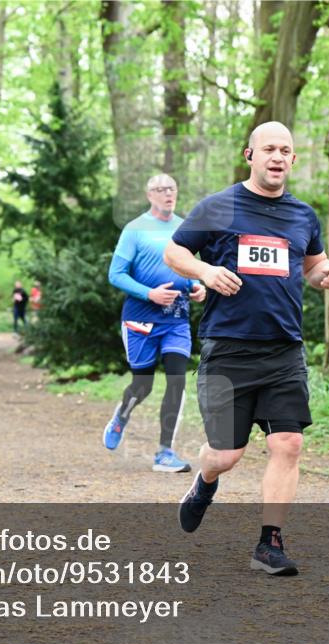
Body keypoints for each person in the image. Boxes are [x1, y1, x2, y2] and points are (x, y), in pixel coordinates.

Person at [163, 121, 329, 575]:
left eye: (285, 150)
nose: (277, 157)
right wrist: (204, 273)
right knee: (227, 454)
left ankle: (270, 544)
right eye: (269, 149)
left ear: (294, 160)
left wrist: (328, 273)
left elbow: (311, 266)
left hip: (284, 350)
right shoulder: (219, 206)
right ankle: (204, 483)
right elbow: (174, 253)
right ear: (250, 155)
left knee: (288, 443)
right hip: (229, 350)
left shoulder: (303, 215)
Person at [103, 173, 206, 473]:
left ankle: (164, 452)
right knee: (143, 384)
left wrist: (197, 286)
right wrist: (149, 294)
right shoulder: (135, 230)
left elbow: (190, 269)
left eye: (172, 188)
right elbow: (116, 274)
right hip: (140, 320)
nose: (167, 194)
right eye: (160, 189)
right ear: (150, 195)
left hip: (176, 320)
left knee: (177, 380)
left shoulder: (185, 228)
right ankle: (122, 415)